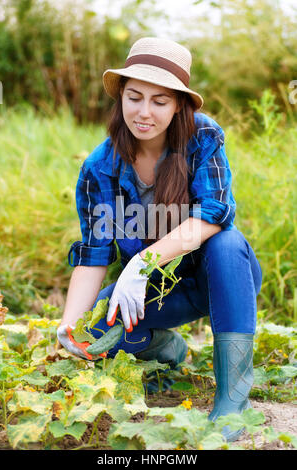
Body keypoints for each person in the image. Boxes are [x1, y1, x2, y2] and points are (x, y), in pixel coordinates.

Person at [57, 37, 262, 441]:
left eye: (160, 101)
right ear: (120, 99)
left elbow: (215, 212)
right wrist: (71, 323)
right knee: (96, 330)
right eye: (134, 97)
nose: (144, 112)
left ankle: (234, 399)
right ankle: (169, 351)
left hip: (222, 279)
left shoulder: (203, 137)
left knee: (225, 241)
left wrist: (142, 262)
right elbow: (94, 253)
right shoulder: (100, 167)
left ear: (179, 105)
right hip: (154, 292)